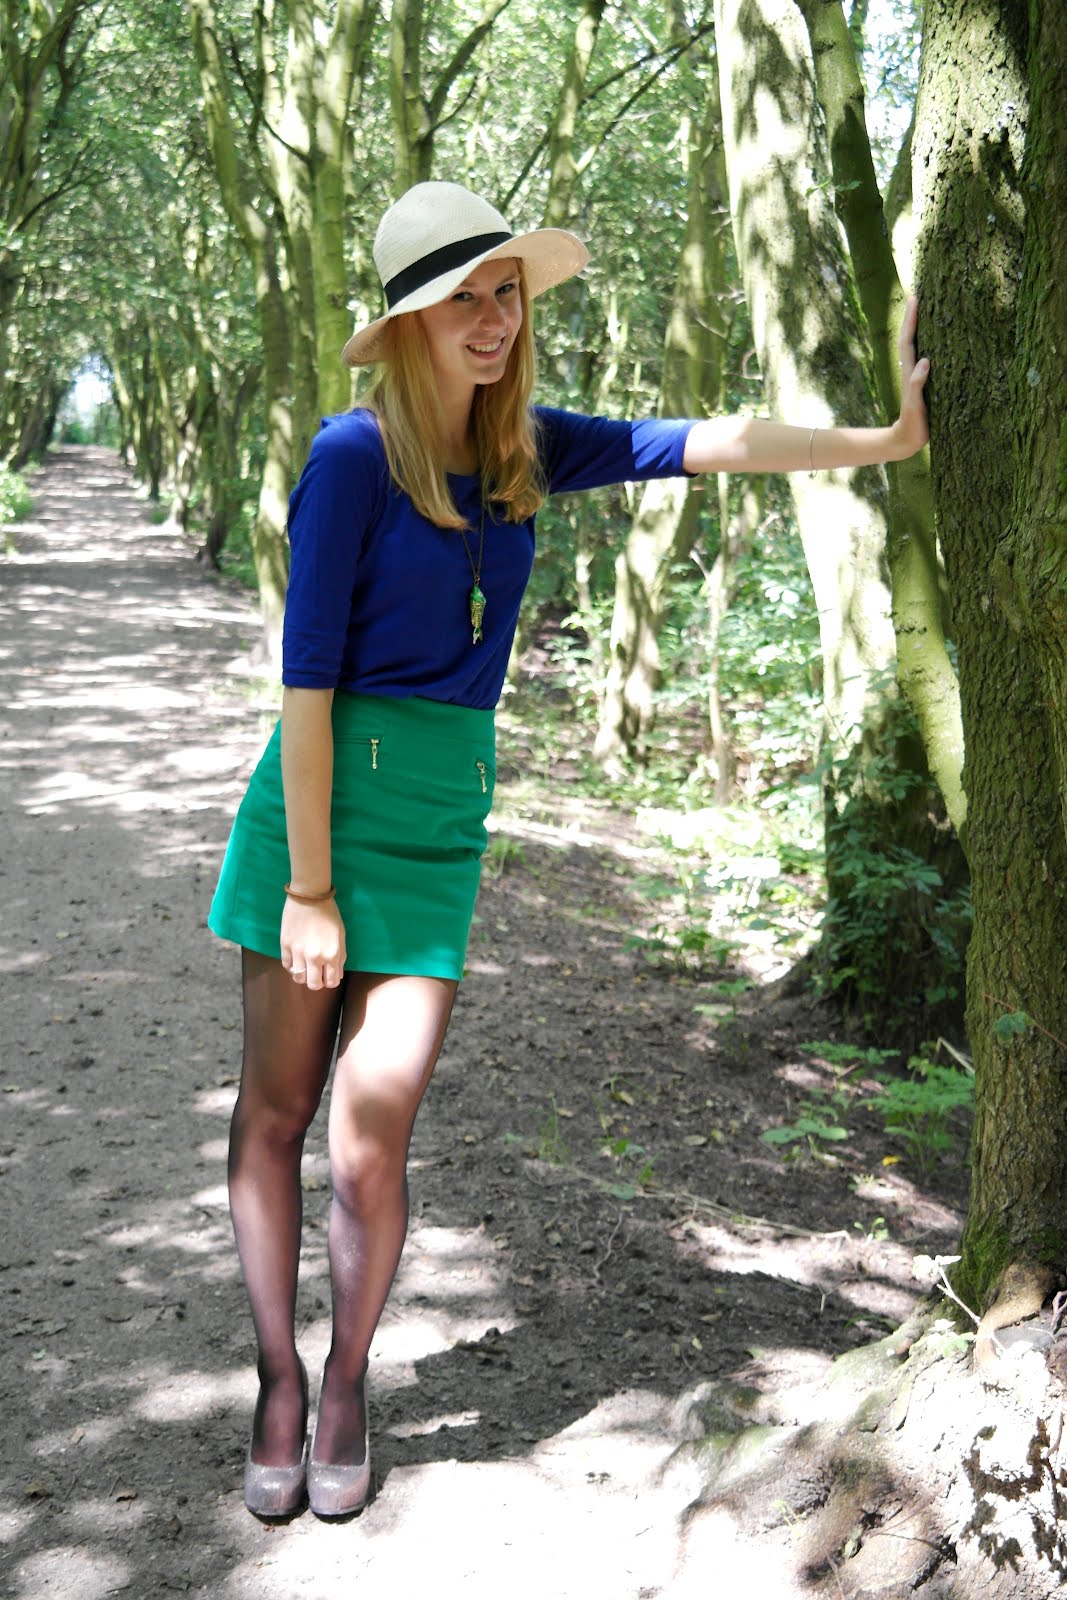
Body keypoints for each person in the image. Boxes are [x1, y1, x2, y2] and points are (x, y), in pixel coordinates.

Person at [208, 180, 930, 1519]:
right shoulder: (352, 461)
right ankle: (276, 1379)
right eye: (461, 300)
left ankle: (349, 1376)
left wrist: (882, 441)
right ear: (411, 322)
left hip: (436, 834)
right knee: (277, 1112)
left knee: (372, 1142)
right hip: (313, 820)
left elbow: (702, 441)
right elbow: (305, 689)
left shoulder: (531, 451)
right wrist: (307, 889)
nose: (491, 322)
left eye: (507, 294)